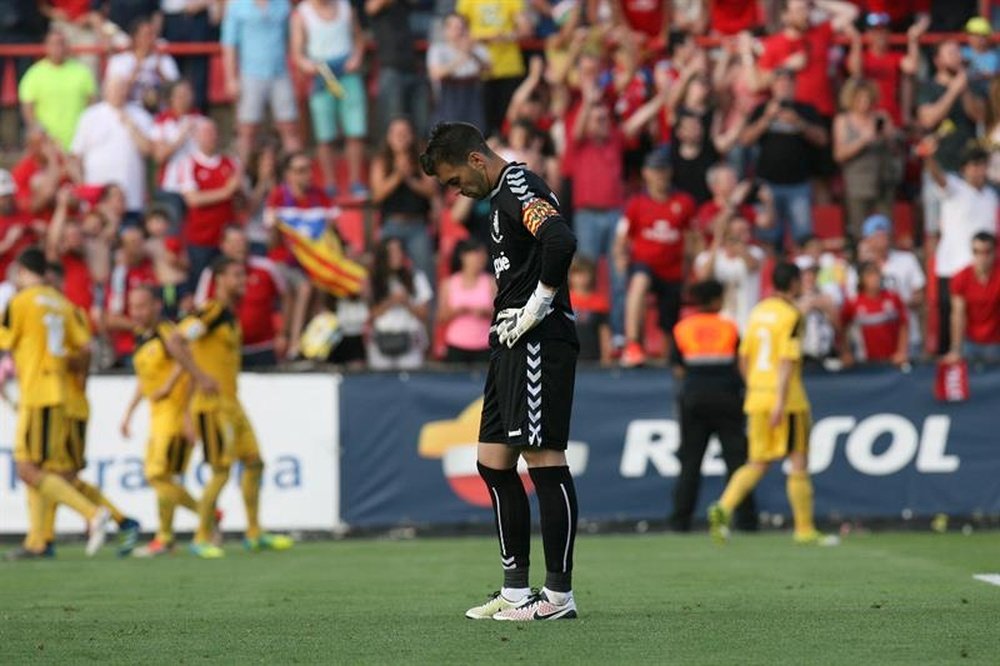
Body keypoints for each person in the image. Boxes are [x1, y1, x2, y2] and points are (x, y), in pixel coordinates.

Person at [421, 122, 580, 621]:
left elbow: (560, 239)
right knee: (492, 462)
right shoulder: (497, 201)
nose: (456, 192)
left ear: (474, 160)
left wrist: (541, 302)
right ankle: (515, 592)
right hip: (511, 339)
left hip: (538, 338)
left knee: (545, 459)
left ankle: (558, 597)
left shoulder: (518, 187)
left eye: (453, 181)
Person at [708, 262, 837, 546]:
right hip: (787, 400)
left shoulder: (759, 312)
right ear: (792, 284)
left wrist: (755, 386)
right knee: (799, 461)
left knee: (756, 463)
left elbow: (743, 357)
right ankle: (804, 529)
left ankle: (723, 507)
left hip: (756, 397)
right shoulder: (791, 316)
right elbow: (786, 360)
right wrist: (779, 400)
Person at [176, 256, 294, 558]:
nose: (243, 282)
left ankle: (254, 533)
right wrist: (201, 378)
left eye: (244, 276)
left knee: (255, 462)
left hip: (232, 404)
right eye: (236, 276)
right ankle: (201, 537)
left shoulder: (228, 315)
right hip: (212, 406)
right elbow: (176, 340)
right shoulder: (210, 312)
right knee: (220, 472)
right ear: (219, 280)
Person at [1, 247, 110, 560]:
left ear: (21, 270)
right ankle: (39, 541)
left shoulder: (20, 302)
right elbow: (86, 348)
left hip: (38, 393)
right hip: (61, 393)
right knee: (41, 470)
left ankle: (92, 514)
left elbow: (4, 339)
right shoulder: (63, 303)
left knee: (27, 468)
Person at [120, 284, 209, 557]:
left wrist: (175, 396)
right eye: (133, 307)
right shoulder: (141, 337)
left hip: (174, 412)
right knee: (164, 477)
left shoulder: (168, 333)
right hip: (156, 415)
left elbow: (188, 360)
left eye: (142, 306)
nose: (136, 312)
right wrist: (129, 413)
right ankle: (167, 537)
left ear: (156, 306)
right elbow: (144, 381)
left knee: (157, 474)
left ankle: (204, 517)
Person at [671, 279, 756, 533]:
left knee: (691, 462)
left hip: (694, 400)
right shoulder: (729, 327)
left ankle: (680, 521)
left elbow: (678, 368)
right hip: (727, 400)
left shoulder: (683, 328)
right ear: (717, 300)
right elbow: (741, 365)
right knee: (737, 461)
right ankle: (746, 520)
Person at [614, 149, 697, 368]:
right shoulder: (636, 204)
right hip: (645, 265)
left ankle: (668, 355)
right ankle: (632, 344)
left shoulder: (683, 202)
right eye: (655, 170)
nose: (659, 176)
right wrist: (620, 258)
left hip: (672, 270)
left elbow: (691, 239)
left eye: (663, 170)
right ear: (646, 174)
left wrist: (691, 271)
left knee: (669, 324)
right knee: (639, 282)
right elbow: (622, 237)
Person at [740, 69, 828, 251]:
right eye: (779, 83)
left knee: (803, 239)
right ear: (773, 87)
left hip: (799, 185)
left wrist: (799, 123)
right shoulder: (762, 109)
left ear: (794, 86)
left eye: (788, 83)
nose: (784, 87)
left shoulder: (805, 110)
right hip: (768, 185)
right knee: (768, 239)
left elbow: (822, 139)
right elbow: (746, 139)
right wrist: (766, 119)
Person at [924, 141, 998, 355]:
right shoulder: (956, 188)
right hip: (953, 267)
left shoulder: (991, 196)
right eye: (973, 165)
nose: (978, 170)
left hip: (983, 270)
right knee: (949, 321)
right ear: (964, 168)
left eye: (982, 165)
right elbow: (939, 178)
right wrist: (929, 158)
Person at [290, 0, 367, 196]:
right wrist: (312, 67)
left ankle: (355, 181)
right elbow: (297, 53)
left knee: (355, 131)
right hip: (321, 75)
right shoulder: (302, 13)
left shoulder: (345, 7)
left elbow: (359, 39)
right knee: (325, 135)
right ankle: (330, 184)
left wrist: (356, 58)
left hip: (348, 73)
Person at [194, 225, 290, 367]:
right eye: (234, 242)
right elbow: (197, 315)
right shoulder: (211, 274)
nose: (240, 247)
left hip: (262, 348)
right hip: (224, 349)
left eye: (243, 242)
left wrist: (283, 333)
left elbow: (286, 298)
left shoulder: (266, 268)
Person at [222, 0, 301, 164]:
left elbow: (291, 39)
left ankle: (295, 179)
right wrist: (231, 78)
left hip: (280, 73)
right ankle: (241, 181)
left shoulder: (282, 5)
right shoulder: (237, 6)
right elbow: (229, 44)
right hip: (250, 74)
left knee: (289, 128)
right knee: (247, 130)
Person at [165, 118, 242, 286]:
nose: (211, 137)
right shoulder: (188, 164)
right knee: (202, 285)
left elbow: (240, 198)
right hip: (200, 240)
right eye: (206, 133)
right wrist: (226, 192)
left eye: (214, 132)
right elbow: (193, 199)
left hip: (227, 240)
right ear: (196, 137)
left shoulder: (232, 163)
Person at [70, 76, 153, 218]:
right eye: (114, 88)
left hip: (131, 195)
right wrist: (83, 187)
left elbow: (148, 150)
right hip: (97, 197)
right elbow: (75, 156)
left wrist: (131, 125)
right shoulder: (90, 116)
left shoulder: (141, 116)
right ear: (105, 91)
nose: (118, 92)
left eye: (122, 88)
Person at [370, 117, 437, 280]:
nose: (400, 137)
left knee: (425, 271)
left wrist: (410, 180)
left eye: (404, 133)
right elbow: (377, 196)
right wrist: (397, 176)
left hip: (417, 225)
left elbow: (432, 190)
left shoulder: (421, 160)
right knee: (383, 271)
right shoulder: (381, 161)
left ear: (412, 136)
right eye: (396, 133)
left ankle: (430, 305)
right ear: (388, 137)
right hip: (391, 224)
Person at [832, 78, 899, 240]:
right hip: (857, 184)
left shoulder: (881, 117)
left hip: (882, 181)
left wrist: (890, 137)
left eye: (868, 98)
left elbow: (895, 151)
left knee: (885, 228)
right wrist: (863, 140)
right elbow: (839, 154)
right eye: (860, 99)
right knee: (859, 231)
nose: (865, 103)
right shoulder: (842, 121)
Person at [455, 0, 533, 136]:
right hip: (478, 70)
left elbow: (526, 29)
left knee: (508, 122)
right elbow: (458, 30)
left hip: (509, 68)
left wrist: (508, 36)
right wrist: (486, 37)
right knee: (481, 126)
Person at [856, 214, 926, 358]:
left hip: (907, 337)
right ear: (867, 240)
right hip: (871, 342)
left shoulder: (907, 259)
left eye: (885, 235)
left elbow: (920, 295)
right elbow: (854, 302)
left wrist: (898, 306)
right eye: (877, 236)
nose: (882, 240)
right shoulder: (858, 268)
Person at [18, 28, 97, 151]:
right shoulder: (34, 74)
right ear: (46, 46)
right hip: (47, 146)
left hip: (78, 143)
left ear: (67, 46)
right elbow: (28, 109)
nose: (58, 47)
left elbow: (91, 105)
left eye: (61, 43)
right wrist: (38, 132)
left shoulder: (82, 72)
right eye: (53, 43)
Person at [366, 237, 433, 370]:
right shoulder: (373, 280)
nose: (396, 256)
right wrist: (391, 301)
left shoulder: (416, 277)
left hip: (410, 342)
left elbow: (425, 314)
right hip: (381, 343)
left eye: (399, 251)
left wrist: (406, 303)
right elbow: (370, 316)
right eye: (391, 252)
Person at [365, 0, 427, 138]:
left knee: (421, 127)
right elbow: (372, 7)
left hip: (415, 67)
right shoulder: (377, 6)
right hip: (391, 69)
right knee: (393, 127)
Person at [693, 216, 765, 333]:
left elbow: (752, 265)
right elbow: (704, 276)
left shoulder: (755, 252)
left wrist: (738, 246)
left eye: (747, 230)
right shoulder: (708, 256)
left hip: (748, 321)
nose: (746, 234)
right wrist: (717, 241)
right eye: (740, 231)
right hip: (721, 322)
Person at [427, 12, 491, 131]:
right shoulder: (438, 49)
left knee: (475, 133)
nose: (459, 31)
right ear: (446, 30)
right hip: (449, 99)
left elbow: (488, 70)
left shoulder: (477, 48)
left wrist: (472, 53)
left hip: (472, 97)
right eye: (455, 27)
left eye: (462, 27)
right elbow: (436, 73)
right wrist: (462, 56)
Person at [840, 261, 909, 367]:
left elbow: (903, 325)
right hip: (865, 363)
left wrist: (902, 351)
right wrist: (846, 352)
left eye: (876, 274)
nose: (874, 278)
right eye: (869, 275)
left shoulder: (893, 298)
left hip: (892, 361)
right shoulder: (853, 303)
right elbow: (841, 329)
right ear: (861, 279)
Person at [104, 16, 180, 111]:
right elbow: (112, 94)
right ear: (135, 37)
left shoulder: (165, 59)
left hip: (159, 113)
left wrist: (161, 75)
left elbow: (177, 94)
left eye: (153, 35)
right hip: (128, 110)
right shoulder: (119, 61)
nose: (152, 39)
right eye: (147, 35)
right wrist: (135, 71)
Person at [946, 232, 1000, 366]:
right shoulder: (961, 277)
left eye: (987, 252)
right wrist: (956, 349)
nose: (982, 257)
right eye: (977, 252)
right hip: (970, 342)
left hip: (996, 342)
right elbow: (958, 315)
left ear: (995, 252)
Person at [439, 238, 495, 364]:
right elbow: (440, 318)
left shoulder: (491, 282)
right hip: (456, 344)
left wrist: (485, 312)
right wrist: (457, 311)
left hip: (484, 345)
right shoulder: (449, 284)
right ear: (463, 256)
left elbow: (501, 315)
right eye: (476, 253)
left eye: (483, 254)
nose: (481, 258)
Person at [568, 255, 611, 364]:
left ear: (592, 276)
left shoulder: (599, 302)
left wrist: (606, 356)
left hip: (593, 357)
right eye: (577, 274)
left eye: (585, 274)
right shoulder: (565, 300)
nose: (581, 278)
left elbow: (604, 331)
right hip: (570, 357)